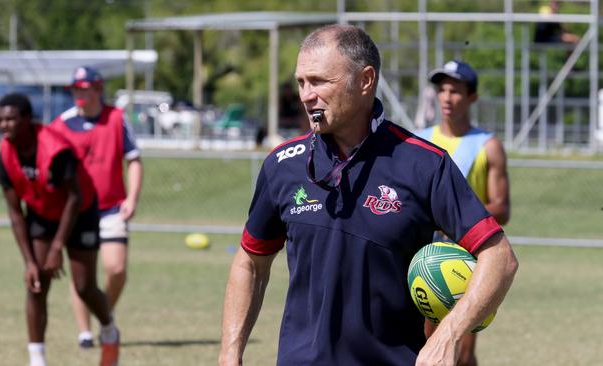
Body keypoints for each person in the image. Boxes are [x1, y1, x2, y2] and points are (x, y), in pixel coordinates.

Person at [219, 24, 518, 366]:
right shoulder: (282, 165)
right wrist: (230, 352)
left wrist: (449, 334)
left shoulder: (423, 164)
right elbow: (250, 263)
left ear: (365, 80)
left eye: (319, 81)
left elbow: (500, 259)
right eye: (301, 82)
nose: (305, 95)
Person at [0, 93, 120, 366]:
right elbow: (15, 212)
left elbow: (74, 198)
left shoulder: (54, 148)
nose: (5, 125)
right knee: (36, 282)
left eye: (11, 119)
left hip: (80, 211)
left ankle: (109, 329)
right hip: (42, 213)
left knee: (84, 287)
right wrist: (29, 261)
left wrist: (56, 249)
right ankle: (37, 359)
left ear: (27, 120)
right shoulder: (4, 153)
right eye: (1, 120)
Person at [417, 60, 511, 366]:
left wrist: (457, 217)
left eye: (455, 91)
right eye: (442, 90)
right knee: (425, 344)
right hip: (419, 258)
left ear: (472, 98)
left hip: (464, 262)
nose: (446, 97)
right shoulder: (418, 141)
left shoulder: (487, 146)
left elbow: (502, 207)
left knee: (461, 351)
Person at [49, 66, 143, 349]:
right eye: (76, 88)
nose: (80, 93)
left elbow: (134, 159)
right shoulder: (62, 124)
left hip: (111, 207)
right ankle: (85, 333)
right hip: (76, 210)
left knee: (116, 269)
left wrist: (132, 198)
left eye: (85, 88)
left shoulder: (115, 118)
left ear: (98, 89)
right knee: (82, 274)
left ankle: (104, 313)